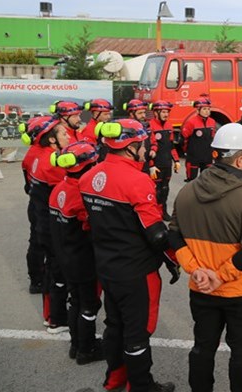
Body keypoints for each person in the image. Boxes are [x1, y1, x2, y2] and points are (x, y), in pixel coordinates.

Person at [80, 119, 178, 392]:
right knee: (138, 333)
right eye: (143, 145)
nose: (146, 150)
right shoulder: (138, 180)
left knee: (114, 326)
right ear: (132, 147)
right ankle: (142, 387)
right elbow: (156, 235)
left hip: (107, 267)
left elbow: (88, 224)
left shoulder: (89, 177)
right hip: (137, 271)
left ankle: (115, 380)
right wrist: (177, 257)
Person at [169, 123, 242, 392]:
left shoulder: (186, 191)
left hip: (201, 289)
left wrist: (196, 270)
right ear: (239, 159)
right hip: (241, 291)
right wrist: (219, 276)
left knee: (203, 348)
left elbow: (174, 236)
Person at [48, 141, 104, 364]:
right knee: (89, 305)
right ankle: (86, 350)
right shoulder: (81, 194)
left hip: (65, 257)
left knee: (75, 302)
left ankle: (76, 345)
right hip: (83, 260)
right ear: (88, 165)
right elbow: (93, 228)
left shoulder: (58, 189)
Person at [26, 117, 70, 332]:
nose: (68, 136)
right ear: (52, 139)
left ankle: (50, 315)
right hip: (52, 227)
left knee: (51, 270)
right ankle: (56, 319)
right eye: (63, 134)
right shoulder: (52, 162)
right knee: (58, 273)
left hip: (42, 222)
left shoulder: (38, 155)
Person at [19, 116, 54, 294]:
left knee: (37, 241)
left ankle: (37, 279)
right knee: (40, 243)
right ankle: (39, 280)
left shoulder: (33, 153)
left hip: (35, 201)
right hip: (42, 204)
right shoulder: (44, 157)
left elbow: (27, 183)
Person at [148, 101, 180, 219]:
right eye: (164, 112)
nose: (166, 114)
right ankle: (154, 213)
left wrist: (176, 161)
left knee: (165, 189)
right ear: (156, 112)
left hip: (167, 164)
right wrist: (151, 165)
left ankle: (163, 211)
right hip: (156, 165)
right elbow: (148, 149)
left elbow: (171, 146)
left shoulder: (169, 126)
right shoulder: (150, 126)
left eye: (167, 112)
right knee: (156, 190)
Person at [182, 96, 216, 182]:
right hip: (194, 157)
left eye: (208, 109)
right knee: (192, 181)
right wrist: (188, 152)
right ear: (198, 110)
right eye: (204, 109)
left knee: (206, 181)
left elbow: (213, 138)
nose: (207, 111)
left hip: (207, 157)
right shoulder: (191, 122)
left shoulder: (212, 122)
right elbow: (183, 138)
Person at [124, 99, 153, 171]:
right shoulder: (125, 129)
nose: (143, 115)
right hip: (132, 167)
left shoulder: (146, 126)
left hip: (145, 166)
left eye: (144, 112)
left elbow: (152, 143)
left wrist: (152, 165)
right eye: (140, 113)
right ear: (131, 114)